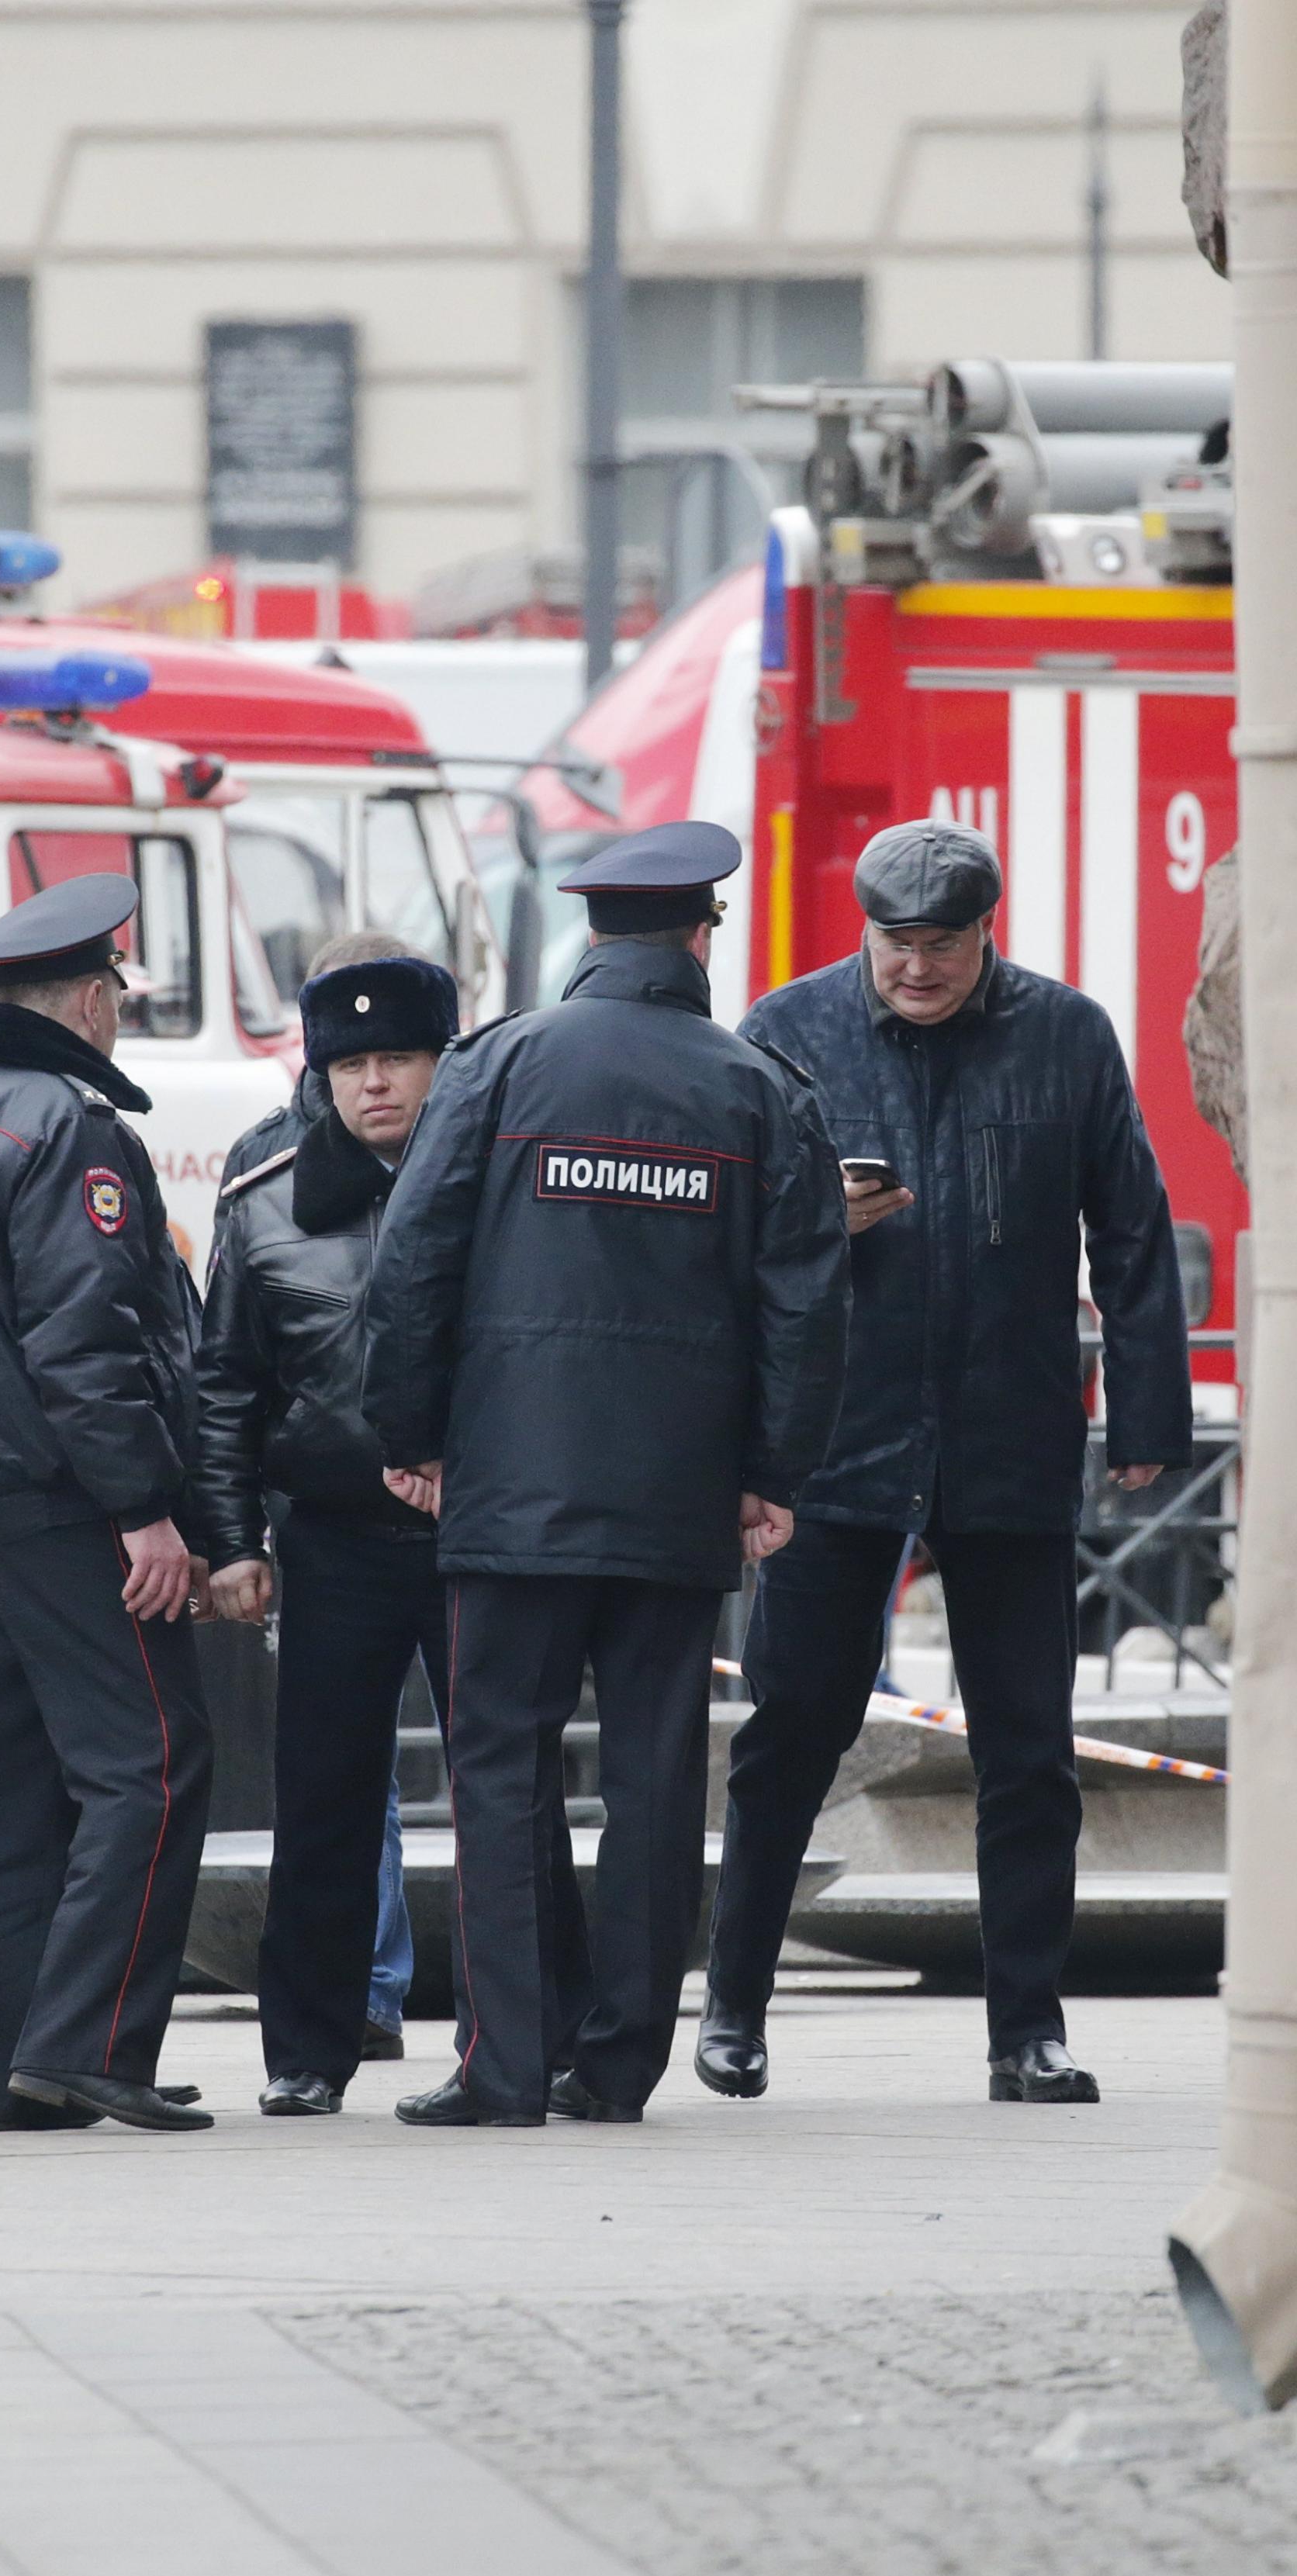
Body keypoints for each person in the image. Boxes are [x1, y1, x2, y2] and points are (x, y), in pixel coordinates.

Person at [358, 822, 849, 2125]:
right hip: (676, 1500)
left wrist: (411, 1434)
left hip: (509, 1490)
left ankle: (504, 2064)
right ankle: (622, 2062)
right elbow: (807, 1309)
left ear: (593, 934)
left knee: (499, 1771)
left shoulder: (500, 1063)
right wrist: (772, 1472)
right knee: (654, 1779)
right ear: (700, 934)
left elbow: (411, 1264)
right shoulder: (760, 1090)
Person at [704, 819, 1194, 2105]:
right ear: (863, 932)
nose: (916, 967)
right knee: (792, 1729)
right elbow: (717, 1234)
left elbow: (1130, 1229)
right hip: (834, 1437)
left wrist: (1147, 1418)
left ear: (989, 933)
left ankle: (1027, 2029)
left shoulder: (1066, 1035)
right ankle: (735, 2005)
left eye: (942, 944)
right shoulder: (787, 1032)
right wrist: (816, 1218)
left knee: (1028, 1748)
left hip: (1007, 1432)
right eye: (895, 943)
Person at [0, 873, 217, 2134]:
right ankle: (91, 2042)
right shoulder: (69, 1126)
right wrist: (144, 1505)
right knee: (153, 1761)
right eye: (114, 992)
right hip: (67, 1501)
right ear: (88, 1000)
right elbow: (85, 1337)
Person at [199, 949, 462, 2116]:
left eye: (396, 1058)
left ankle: (521, 2036)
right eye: (351, 1065)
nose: (375, 1084)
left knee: (504, 1790)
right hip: (336, 1537)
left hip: (476, 1535)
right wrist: (234, 1540)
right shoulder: (264, 1200)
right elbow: (224, 1386)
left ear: (441, 1060)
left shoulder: (497, 1183)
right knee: (322, 1801)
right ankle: (307, 2050)